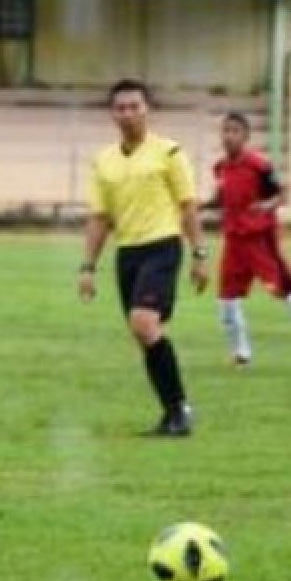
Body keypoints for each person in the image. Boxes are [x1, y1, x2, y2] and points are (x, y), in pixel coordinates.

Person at [78, 80, 209, 437]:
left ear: (147, 109)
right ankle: (174, 413)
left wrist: (199, 254)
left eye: (135, 106)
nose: (128, 113)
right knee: (146, 334)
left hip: (163, 245)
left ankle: (179, 410)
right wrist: (87, 266)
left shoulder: (169, 152)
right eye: (121, 108)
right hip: (128, 253)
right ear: (112, 113)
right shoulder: (103, 161)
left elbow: (188, 205)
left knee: (143, 323)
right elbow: (100, 218)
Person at [204, 112, 291, 373]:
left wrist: (265, 205)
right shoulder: (220, 168)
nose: (229, 136)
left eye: (234, 131)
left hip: (260, 241)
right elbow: (220, 199)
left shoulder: (259, 166)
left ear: (245, 136)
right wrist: (199, 207)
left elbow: (281, 195)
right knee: (226, 304)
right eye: (225, 131)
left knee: (290, 295)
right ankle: (241, 355)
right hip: (233, 242)